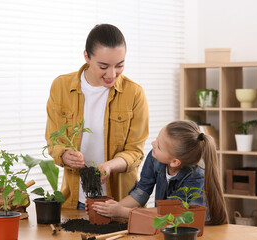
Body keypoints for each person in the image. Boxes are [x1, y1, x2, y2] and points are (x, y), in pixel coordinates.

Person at [45, 24, 149, 209]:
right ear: (86, 56)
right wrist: (64, 155)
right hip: (75, 201)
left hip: (121, 203)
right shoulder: (60, 86)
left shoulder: (134, 93)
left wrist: (110, 165)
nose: (112, 74)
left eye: (120, 65)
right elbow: (54, 140)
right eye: (103, 66)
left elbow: (136, 151)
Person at [91, 120, 228, 225]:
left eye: (159, 146)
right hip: (168, 225)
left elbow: (171, 213)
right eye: (157, 138)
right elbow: (142, 191)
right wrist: (110, 208)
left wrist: (122, 212)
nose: (153, 143)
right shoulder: (155, 157)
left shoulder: (195, 175)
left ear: (175, 162)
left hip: (193, 228)